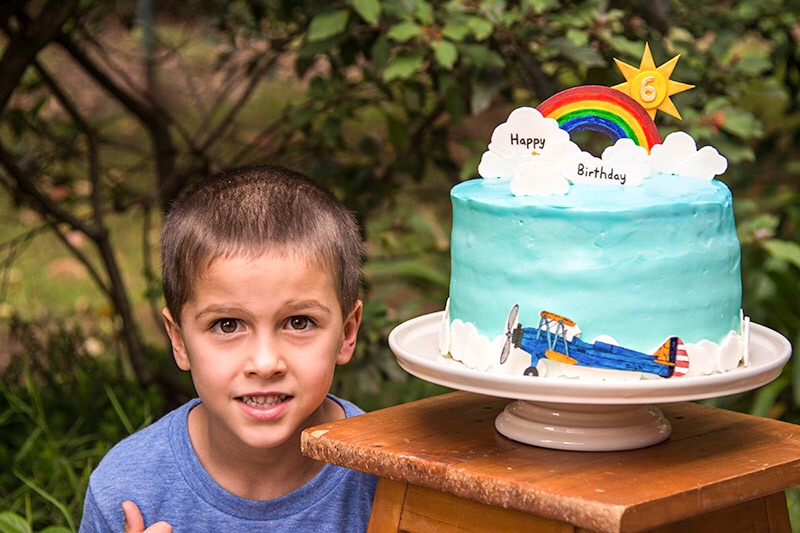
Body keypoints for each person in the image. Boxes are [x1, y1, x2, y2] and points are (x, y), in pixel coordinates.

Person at [78, 165, 378, 532]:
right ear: (178, 340)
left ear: (347, 333)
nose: (265, 363)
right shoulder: (127, 489)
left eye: (299, 322)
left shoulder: (386, 480)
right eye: (227, 325)